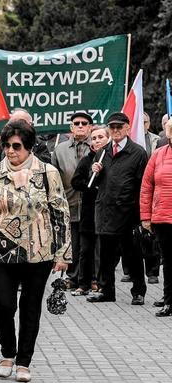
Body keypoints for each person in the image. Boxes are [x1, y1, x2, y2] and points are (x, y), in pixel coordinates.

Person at [0, 120, 71, 383]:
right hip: (2, 251)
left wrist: (63, 253)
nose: (10, 151)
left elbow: (60, 212)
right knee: (4, 306)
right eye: (6, 145)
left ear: (29, 147)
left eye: (16, 146)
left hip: (38, 252)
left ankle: (24, 361)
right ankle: (7, 351)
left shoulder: (47, 173)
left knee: (30, 307)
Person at [87, 112, 148, 305]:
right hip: (106, 210)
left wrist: (140, 215)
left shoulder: (137, 152)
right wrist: (95, 172)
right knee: (106, 254)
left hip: (127, 212)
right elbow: (94, 183)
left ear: (127, 128)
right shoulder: (103, 151)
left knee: (132, 254)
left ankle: (138, 291)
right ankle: (107, 291)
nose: (115, 130)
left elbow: (142, 185)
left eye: (119, 127)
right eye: (112, 127)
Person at [51, 112, 93, 289]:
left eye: (85, 123)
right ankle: (72, 276)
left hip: (91, 203)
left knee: (90, 244)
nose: (81, 126)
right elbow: (54, 176)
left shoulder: (97, 146)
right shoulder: (60, 149)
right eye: (77, 123)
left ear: (91, 127)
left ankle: (92, 279)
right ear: (71, 127)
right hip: (69, 201)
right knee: (72, 242)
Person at [70, 126, 110, 295]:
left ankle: (100, 282)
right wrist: (90, 177)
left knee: (103, 251)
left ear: (108, 139)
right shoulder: (87, 160)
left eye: (100, 137)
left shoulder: (112, 159)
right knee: (85, 250)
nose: (97, 140)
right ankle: (83, 283)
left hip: (107, 212)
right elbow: (76, 182)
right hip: (88, 212)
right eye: (93, 138)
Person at [140, 118, 172, 316]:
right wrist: (146, 216)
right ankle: (169, 299)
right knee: (168, 262)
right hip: (163, 218)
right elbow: (146, 187)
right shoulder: (159, 155)